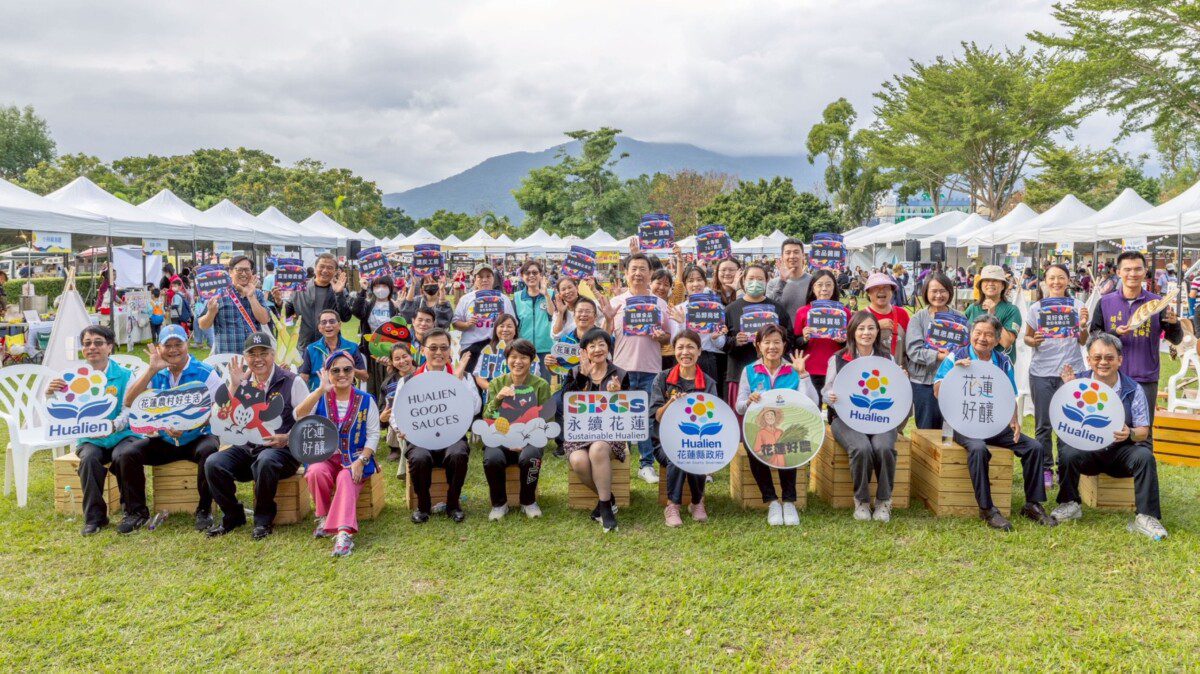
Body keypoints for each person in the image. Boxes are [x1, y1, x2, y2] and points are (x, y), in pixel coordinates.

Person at [934, 315, 1058, 531]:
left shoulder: (1002, 361)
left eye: (989, 334)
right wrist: (955, 374)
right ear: (971, 334)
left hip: (992, 421)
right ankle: (987, 509)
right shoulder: (956, 357)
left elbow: (1008, 393)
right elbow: (937, 392)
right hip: (962, 422)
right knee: (979, 448)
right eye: (978, 333)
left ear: (998, 338)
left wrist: (1014, 420)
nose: (983, 338)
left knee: (1034, 447)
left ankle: (1032, 503)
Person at [1051, 333, 1168, 540]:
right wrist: (1069, 389)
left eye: (1109, 357)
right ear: (1089, 359)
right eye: (1097, 357)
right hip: (1088, 453)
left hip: (1120, 453)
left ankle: (1147, 516)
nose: (1103, 362)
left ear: (1120, 360)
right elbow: (1064, 423)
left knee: (1144, 457)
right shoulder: (1079, 383)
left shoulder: (1133, 389)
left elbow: (1143, 431)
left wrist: (1129, 433)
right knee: (1068, 451)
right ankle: (1070, 503)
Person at [115, 325, 223, 533]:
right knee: (127, 454)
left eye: (178, 344)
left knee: (209, 452)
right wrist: (151, 370)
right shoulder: (156, 372)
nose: (173, 350)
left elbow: (221, 407)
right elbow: (129, 401)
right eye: (168, 345)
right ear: (159, 348)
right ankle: (137, 511)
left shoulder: (205, 372)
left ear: (187, 345)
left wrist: (190, 424)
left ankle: (204, 510)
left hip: (197, 436)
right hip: (163, 439)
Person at [204, 332, 309, 539]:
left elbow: (309, 421)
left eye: (264, 353)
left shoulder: (292, 381)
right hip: (247, 447)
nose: (258, 359)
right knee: (213, 462)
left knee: (266, 460)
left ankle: (263, 520)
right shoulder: (241, 382)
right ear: (246, 358)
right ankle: (233, 515)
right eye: (252, 355)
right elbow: (218, 415)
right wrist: (233, 386)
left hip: (282, 450)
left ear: (273, 355)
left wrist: (287, 437)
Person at [45, 325, 138, 536]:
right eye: (87, 344)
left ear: (110, 347)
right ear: (83, 350)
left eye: (98, 342)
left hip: (122, 435)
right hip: (90, 439)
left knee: (124, 455)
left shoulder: (125, 375)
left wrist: (113, 426)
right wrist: (50, 393)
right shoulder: (72, 378)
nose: (92, 347)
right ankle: (95, 518)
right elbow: (59, 412)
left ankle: (133, 512)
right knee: (88, 459)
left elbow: (129, 410)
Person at [597, 253, 673, 485]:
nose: (638, 273)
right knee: (621, 415)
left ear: (650, 274)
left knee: (648, 418)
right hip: (621, 369)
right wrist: (608, 318)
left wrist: (661, 336)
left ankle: (646, 464)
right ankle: (620, 459)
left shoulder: (660, 304)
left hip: (651, 368)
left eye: (643, 269)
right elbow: (603, 337)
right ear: (626, 273)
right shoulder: (617, 302)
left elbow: (668, 337)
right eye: (634, 269)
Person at [295, 350, 381, 557]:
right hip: (325, 455)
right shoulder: (320, 396)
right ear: (327, 373)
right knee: (315, 472)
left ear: (353, 372)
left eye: (347, 369)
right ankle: (323, 517)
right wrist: (319, 390)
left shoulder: (366, 399)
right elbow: (299, 415)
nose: (342, 374)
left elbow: (373, 434)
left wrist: (362, 460)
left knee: (346, 477)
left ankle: (344, 534)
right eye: (336, 370)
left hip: (355, 457)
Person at [390, 328, 479, 523]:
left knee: (458, 454)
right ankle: (423, 505)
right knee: (419, 458)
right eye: (433, 348)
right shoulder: (409, 381)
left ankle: (453, 503)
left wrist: (460, 379)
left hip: (453, 436)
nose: (439, 352)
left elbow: (474, 408)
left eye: (444, 348)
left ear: (450, 351)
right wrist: (400, 430)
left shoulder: (464, 376)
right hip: (421, 437)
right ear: (423, 351)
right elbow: (396, 415)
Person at [734, 324, 818, 526]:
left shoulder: (793, 369)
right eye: (767, 342)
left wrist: (803, 374)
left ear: (784, 345)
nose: (772, 346)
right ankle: (771, 501)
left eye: (777, 342)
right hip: (759, 428)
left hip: (787, 428)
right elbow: (739, 407)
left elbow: (812, 403)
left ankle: (789, 501)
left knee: (788, 445)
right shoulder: (749, 371)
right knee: (753, 446)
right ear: (758, 345)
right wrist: (749, 401)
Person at [1089, 251, 1183, 428]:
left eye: (1138, 269)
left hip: (1145, 378)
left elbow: (1176, 339)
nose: (1132, 274)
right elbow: (1094, 336)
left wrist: (1174, 324)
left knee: (1143, 432)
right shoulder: (1105, 302)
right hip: (1110, 376)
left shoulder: (1157, 303)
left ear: (1145, 271)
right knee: (1107, 428)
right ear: (1118, 272)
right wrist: (1115, 333)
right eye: (1127, 269)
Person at [822, 311, 901, 522]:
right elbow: (826, 391)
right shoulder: (838, 358)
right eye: (861, 328)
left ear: (877, 332)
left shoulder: (887, 358)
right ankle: (862, 501)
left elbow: (895, 391)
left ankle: (884, 501)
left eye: (871, 328)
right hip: (845, 419)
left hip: (880, 418)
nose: (866, 333)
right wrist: (829, 396)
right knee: (861, 448)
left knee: (884, 447)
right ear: (852, 332)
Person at [1025, 264, 1089, 490]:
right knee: (1043, 425)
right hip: (1042, 372)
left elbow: (1083, 341)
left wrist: (1082, 326)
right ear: (1045, 281)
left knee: (1069, 422)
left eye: (1061, 278)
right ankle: (1045, 469)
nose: (1056, 282)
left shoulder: (1078, 306)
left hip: (1071, 373)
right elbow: (1027, 338)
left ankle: (1066, 467)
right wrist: (1036, 341)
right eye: (1051, 278)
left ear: (1068, 280)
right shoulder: (1036, 308)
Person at [561, 327, 628, 533]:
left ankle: (605, 509)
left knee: (598, 449)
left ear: (608, 348)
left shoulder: (620, 373)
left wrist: (618, 395)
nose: (597, 349)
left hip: (610, 434)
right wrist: (582, 377)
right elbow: (564, 403)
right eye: (592, 345)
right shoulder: (574, 372)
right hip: (580, 433)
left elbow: (630, 410)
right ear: (584, 351)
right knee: (579, 461)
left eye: (602, 344)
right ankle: (608, 498)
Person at [480, 339, 550, 520]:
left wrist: (525, 439)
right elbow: (487, 416)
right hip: (500, 437)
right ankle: (499, 503)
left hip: (529, 439)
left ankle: (528, 501)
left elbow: (545, 419)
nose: (518, 361)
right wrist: (498, 398)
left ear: (532, 360)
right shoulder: (497, 383)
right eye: (513, 357)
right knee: (492, 458)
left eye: (523, 357)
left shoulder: (540, 385)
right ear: (507, 359)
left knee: (530, 457)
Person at [650, 330, 714, 527]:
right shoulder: (662, 378)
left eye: (690, 347)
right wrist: (671, 403)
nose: (685, 352)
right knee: (677, 452)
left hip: (699, 441)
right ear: (674, 351)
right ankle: (673, 505)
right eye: (680, 347)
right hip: (663, 444)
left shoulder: (708, 383)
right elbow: (657, 416)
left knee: (693, 451)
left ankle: (697, 502)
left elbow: (714, 417)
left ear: (699, 351)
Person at [724, 263, 793, 409]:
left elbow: (789, 339)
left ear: (767, 281)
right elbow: (721, 342)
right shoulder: (731, 310)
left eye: (760, 279)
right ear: (743, 281)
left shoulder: (777, 309)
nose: (755, 282)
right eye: (751, 278)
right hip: (738, 373)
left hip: (773, 376)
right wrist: (734, 341)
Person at [905, 272, 965, 430]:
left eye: (943, 291)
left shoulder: (960, 319)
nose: (939, 295)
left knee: (950, 430)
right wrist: (939, 356)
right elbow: (913, 351)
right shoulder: (918, 318)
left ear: (950, 292)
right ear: (926, 292)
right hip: (925, 383)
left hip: (952, 381)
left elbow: (967, 348)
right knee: (927, 430)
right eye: (934, 291)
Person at [198, 255, 271, 355]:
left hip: (254, 356)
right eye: (239, 270)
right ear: (230, 272)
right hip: (227, 357)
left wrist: (251, 296)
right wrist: (211, 312)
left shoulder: (257, 294)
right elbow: (202, 325)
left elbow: (264, 320)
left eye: (247, 270)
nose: (244, 274)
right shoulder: (219, 294)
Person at [275, 252, 351, 348]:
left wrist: (338, 294)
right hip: (305, 346)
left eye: (330, 268)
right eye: (321, 266)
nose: (325, 270)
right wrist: (279, 302)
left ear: (336, 271)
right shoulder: (300, 288)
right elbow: (286, 314)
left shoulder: (340, 290)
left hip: (331, 346)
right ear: (315, 268)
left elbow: (345, 317)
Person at [793, 269, 850, 393]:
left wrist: (843, 341)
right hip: (810, 368)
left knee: (835, 409)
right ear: (812, 288)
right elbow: (795, 342)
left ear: (834, 288)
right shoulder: (803, 312)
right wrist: (804, 338)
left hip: (837, 368)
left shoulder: (844, 312)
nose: (824, 288)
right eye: (819, 285)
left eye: (829, 284)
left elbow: (852, 343)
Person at [453, 265, 516, 374]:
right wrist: (467, 324)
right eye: (480, 277)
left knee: (496, 381)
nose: (485, 280)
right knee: (471, 383)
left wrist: (503, 326)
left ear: (493, 278)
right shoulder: (466, 299)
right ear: (474, 280)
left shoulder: (503, 299)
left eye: (488, 276)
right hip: (471, 346)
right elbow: (455, 323)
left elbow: (514, 323)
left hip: (498, 346)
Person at [351, 275, 402, 398]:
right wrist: (362, 290)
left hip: (389, 351)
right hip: (369, 351)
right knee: (370, 383)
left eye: (384, 286)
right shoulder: (369, 305)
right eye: (377, 286)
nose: (380, 289)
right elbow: (357, 311)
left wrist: (400, 308)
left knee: (389, 381)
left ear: (390, 288)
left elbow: (401, 328)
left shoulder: (394, 306)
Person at [963, 264, 1021, 365]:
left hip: (1000, 367)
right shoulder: (972, 308)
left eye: (995, 280)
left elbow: (1007, 343)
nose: (990, 283)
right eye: (986, 280)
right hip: (972, 365)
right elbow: (963, 337)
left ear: (1003, 285)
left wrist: (993, 315)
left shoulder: (1012, 310)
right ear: (981, 285)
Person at [298, 309, 367, 391]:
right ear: (319, 327)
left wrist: (347, 369)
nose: (328, 325)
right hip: (319, 395)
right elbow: (303, 378)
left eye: (332, 321)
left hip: (346, 395)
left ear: (339, 325)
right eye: (324, 322)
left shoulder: (352, 347)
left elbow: (364, 377)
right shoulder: (310, 349)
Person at [862, 272, 910, 359]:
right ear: (868, 292)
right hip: (869, 370)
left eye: (886, 287)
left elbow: (910, 343)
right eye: (876, 288)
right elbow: (853, 344)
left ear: (892, 292)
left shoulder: (902, 313)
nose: (881, 291)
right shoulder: (861, 316)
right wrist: (876, 326)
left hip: (899, 369)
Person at [380, 341, 414, 462]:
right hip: (399, 422)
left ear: (411, 356)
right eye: (397, 359)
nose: (402, 361)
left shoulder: (422, 373)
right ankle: (395, 448)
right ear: (392, 362)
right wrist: (382, 417)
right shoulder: (388, 384)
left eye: (405, 356)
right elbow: (384, 407)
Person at [512, 260, 554, 361]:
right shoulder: (517, 297)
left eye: (535, 272)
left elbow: (553, 315)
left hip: (546, 348)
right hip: (523, 349)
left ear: (541, 275)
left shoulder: (551, 294)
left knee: (544, 377)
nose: (531, 275)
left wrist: (546, 295)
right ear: (522, 276)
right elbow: (514, 323)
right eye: (527, 273)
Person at [766, 238, 812, 323]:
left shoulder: (813, 281)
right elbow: (769, 309)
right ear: (782, 257)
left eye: (796, 252)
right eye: (788, 253)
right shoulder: (773, 283)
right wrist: (782, 281)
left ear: (803, 255)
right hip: (782, 334)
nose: (792, 256)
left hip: (807, 333)